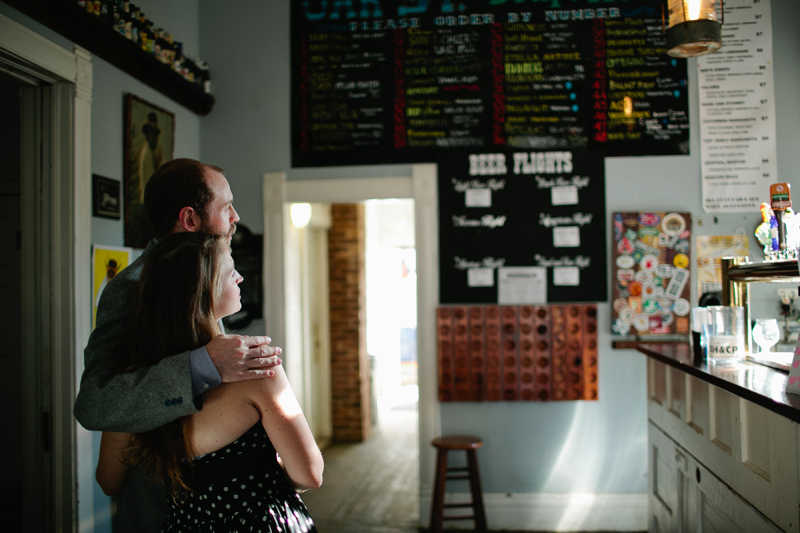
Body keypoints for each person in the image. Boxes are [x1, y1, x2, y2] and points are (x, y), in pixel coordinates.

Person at [74, 159, 282, 532]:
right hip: (162, 510)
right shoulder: (129, 289)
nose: (236, 217)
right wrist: (201, 364)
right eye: (225, 207)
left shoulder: (209, 274)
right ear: (190, 219)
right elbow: (95, 402)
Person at [96, 233, 323, 532]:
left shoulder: (135, 383)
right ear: (203, 292)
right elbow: (310, 474)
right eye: (231, 273)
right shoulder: (254, 367)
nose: (241, 277)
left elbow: (108, 480)